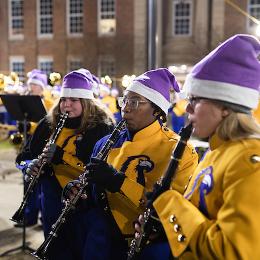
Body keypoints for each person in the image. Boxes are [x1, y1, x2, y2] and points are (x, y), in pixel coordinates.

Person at [64, 68, 198, 259]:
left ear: (157, 110)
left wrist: (119, 183)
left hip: (146, 247)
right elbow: (93, 192)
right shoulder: (104, 142)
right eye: (124, 100)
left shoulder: (180, 152)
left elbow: (171, 212)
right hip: (99, 241)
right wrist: (78, 190)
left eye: (134, 102)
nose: (125, 108)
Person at [147, 34, 260, 259]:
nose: (187, 109)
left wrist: (171, 205)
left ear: (226, 107)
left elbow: (233, 252)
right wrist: (164, 231)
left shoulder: (249, 162)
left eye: (196, 100)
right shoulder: (216, 152)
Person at [17, 68, 115, 259]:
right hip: (52, 203)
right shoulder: (47, 125)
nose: (66, 105)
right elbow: (23, 156)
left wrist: (62, 157)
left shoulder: (102, 128)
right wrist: (28, 165)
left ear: (86, 102)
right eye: (63, 99)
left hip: (86, 208)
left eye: (74, 100)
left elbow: (101, 171)